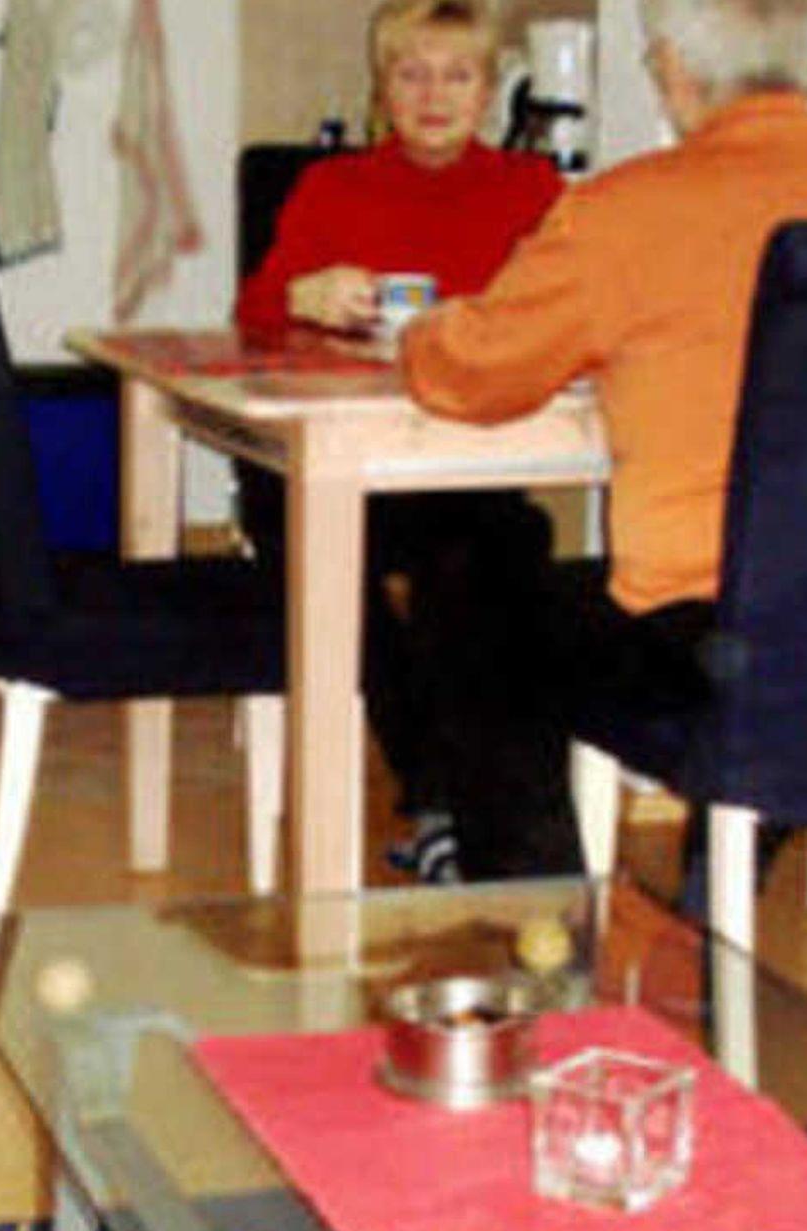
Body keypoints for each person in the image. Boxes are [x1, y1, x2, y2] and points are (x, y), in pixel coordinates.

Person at [398, 0, 807, 881]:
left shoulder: (628, 208)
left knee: (469, 592)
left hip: (708, 636)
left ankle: (540, 907)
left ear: (674, 72)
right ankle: (722, 868)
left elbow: (470, 374)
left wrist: (419, 329)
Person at [233, 0, 564, 881]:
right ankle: (440, 792)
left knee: (498, 554)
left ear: (490, 93)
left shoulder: (532, 191)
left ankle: (477, 815)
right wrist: (301, 297)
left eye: (458, 75)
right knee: (316, 552)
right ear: (381, 89)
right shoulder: (331, 188)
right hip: (337, 459)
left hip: (464, 459)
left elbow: (571, 313)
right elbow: (252, 314)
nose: (434, 95)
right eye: (412, 74)